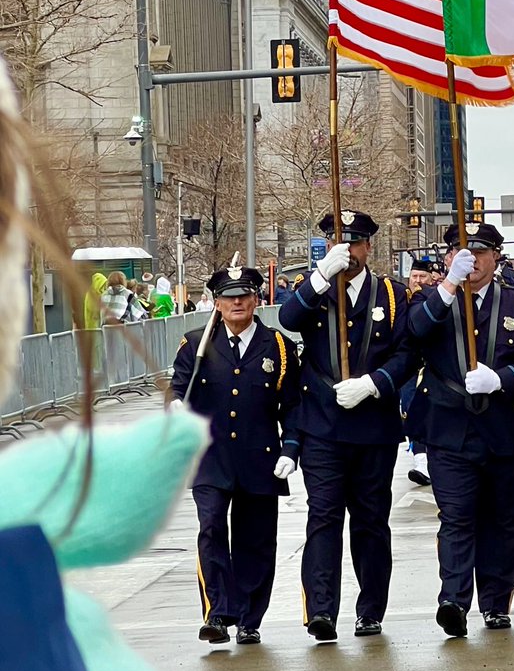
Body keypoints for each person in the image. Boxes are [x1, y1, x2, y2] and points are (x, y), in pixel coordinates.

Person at [278, 210, 412, 642]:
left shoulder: (390, 294)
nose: (348, 252)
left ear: (369, 247)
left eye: (355, 243)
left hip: (373, 426)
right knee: (324, 516)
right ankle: (321, 610)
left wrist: (375, 383)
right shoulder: (315, 290)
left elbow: (408, 353)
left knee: (372, 521)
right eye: (340, 243)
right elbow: (288, 319)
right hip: (323, 426)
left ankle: (371, 609)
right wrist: (320, 277)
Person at [407, 221, 514, 637]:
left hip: (503, 423)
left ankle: (496, 602)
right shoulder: (435, 298)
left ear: (496, 257)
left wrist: (502, 379)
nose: (473, 260)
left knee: (505, 520)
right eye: (463, 252)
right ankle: (453, 599)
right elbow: (416, 331)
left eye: (482, 252)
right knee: (456, 516)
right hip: (449, 426)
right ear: (450, 257)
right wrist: (448, 286)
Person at [169, 266, 300, 646]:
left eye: (244, 295)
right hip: (210, 457)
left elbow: (292, 406)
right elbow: (178, 389)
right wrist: (176, 407)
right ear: (216, 303)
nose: (237, 302)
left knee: (255, 540)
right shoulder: (196, 344)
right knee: (211, 528)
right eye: (229, 296)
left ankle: (248, 617)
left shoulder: (278, 346)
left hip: (260, 456)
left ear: (257, 299)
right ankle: (216, 612)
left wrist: (291, 449)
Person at [400, 256, 439, 487]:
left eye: (422, 277)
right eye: (414, 277)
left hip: (429, 365)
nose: (417, 281)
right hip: (408, 366)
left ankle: (427, 461)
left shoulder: (433, 298)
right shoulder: (400, 299)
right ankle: (420, 459)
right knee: (409, 410)